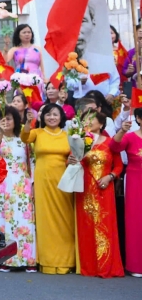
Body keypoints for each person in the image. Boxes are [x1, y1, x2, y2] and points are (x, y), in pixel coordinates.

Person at [68, 112, 124, 278]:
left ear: (101, 124)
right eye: (85, 119)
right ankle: (89, 266)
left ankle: (106, 266)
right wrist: (70, 161)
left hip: (104, 190)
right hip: (84, 190)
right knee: (86, 227)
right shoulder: (80, 140)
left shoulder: (110, 143)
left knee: (105, 227)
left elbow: (119, 166)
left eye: (91, 119)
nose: (88, 122)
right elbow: (71, 161)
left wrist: (110, 176)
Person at [20, 103, 75, 274]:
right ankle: (48, 261)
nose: (51, 117)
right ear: (43, 117)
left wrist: (72, 160)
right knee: (45, 220)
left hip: (63, 180)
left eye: (55, 114)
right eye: (48, 114)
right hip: (43, 180)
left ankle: (66, 260)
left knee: (64, 219)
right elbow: (24, 137)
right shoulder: (38, 133)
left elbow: (74, 155)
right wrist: (28, 122)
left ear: (61, 117)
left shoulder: (69, 135)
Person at [0, 107, 37, 272]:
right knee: (3, 220)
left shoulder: (23, 139)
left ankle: (28, 259)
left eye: (9, 118)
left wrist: (33, 182)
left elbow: (32, 162)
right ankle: (4, 259)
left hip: (21, 183)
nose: (6, 121)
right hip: (2, 184)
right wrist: (1, 132)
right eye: (2, 119)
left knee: (24, 219)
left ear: (16, 120)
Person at [111, 111, 142, 277]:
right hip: (136, 181)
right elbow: (114, 147)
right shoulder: (130, 137)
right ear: (138, 119)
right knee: (136, 221)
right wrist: (122, 130)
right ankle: (136, 265)